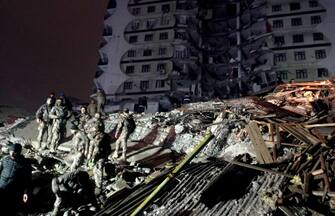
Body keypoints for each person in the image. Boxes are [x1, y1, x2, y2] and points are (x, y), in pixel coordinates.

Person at [0, 143, 32, 214]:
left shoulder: (25, 164)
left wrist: (25, 193)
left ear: (19, 152)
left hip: (13, 191)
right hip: (1, 188)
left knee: (9, 208)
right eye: (11, 151)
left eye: (14, 152)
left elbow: (28, 179)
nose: (12, 154)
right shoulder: (5, 160)